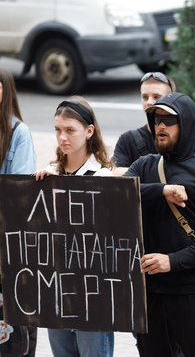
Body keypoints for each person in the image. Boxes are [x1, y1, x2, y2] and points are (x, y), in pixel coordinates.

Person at [124, 92, 195, 357]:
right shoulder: (144, 165)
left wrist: (172, 261)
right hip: (151, 295)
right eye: (155, 120)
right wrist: (161, 190)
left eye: (168, 120)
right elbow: (115, 193)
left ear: (185, 124)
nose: (160, 126)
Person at [34, 96, 115, 357]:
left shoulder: (102, 176)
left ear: (89, 131)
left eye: (70, 130)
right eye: (57, 130)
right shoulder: (50, 173)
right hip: (55, 288)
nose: (62, 137)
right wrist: (39, 187)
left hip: (92, 293)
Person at [0, 67, 37, 357]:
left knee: (13, 339)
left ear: (6, 91)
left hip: (8, 250)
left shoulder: (17, 133)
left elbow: (19, 192)